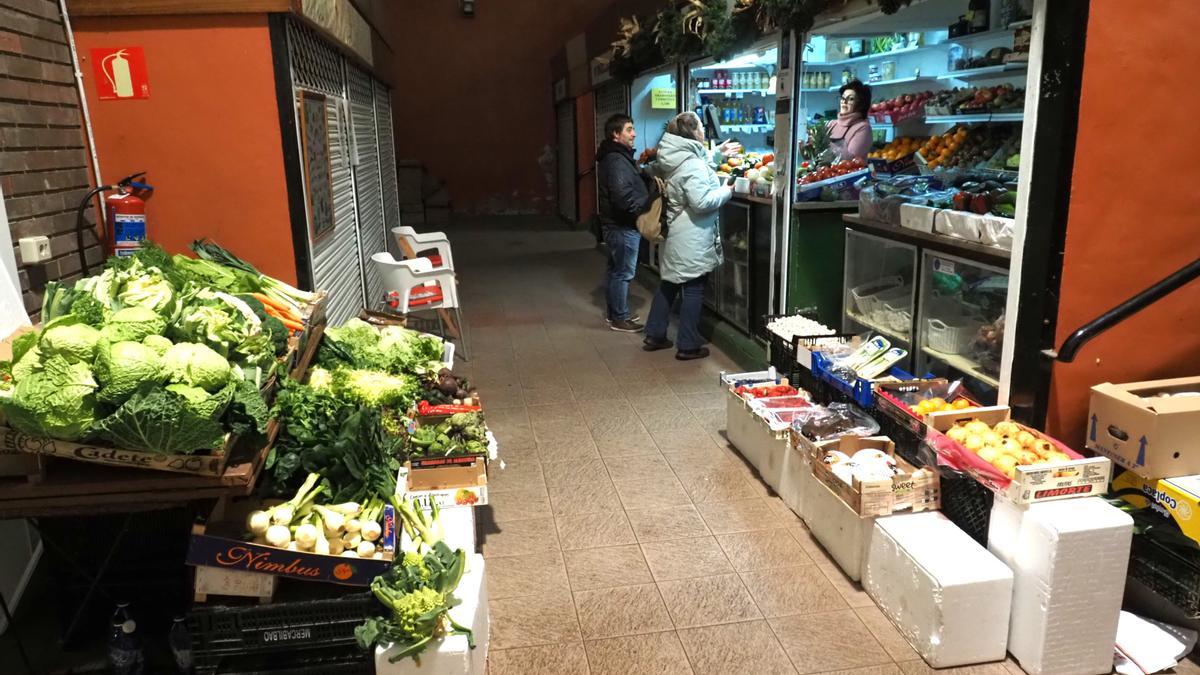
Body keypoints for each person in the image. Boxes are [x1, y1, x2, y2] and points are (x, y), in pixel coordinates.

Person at [642, 111, 736, 360]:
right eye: (702, 127)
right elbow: (702, 201)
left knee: (669, 284)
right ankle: (688, 344)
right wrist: (726, 191)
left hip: (677, 234)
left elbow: (695, 169)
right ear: (693, 132)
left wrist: (716, 155)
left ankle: (655, 333)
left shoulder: (675, 156)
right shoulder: (691, 163)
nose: (704, 130)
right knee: (693, 289)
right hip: (692, 237)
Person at [596, 114, 650, 332]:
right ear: (616, 135)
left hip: (616, 224)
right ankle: (619, 317)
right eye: (629, 129)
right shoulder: (617, 160)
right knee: (623, 272)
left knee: (615, 269)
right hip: (622, 225)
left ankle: (615, 313)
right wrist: (643, 211)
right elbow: (622, 196)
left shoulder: (617, 156)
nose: (634, 134)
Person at [827, 79, 873, 162]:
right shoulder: (831, 124)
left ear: (860, 104)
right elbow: (816, 156)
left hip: (848, 174)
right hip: (825, 173)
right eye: (842, 97)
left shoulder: (863, 128)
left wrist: (826, 147)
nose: (844, 102)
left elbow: (850, 159)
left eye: (850, 99)